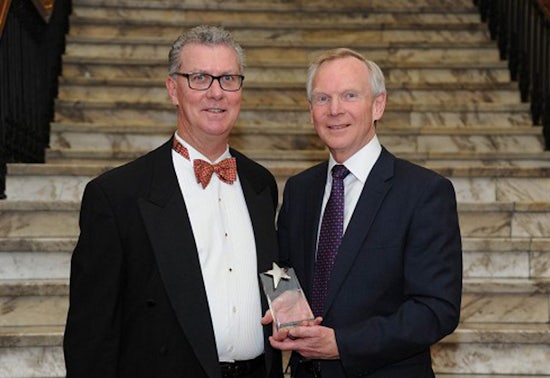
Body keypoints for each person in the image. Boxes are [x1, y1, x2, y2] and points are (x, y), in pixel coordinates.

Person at [64, 25, 283, 378]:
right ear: (173, 90)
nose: (216, 93)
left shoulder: (261, 184)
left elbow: (273, 271)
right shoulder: (118, 195)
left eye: (228, 78)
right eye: (199, 78)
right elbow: (91, 333)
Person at [264, 48, 463, 377]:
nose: (335, 110)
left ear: (378, 105)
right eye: (322, 98)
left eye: (350, 95)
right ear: (311, 110)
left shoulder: (425, 192)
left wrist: (342, 344)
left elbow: (436, 310)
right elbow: (282, 273)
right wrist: (287, 317)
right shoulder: (299, 189)